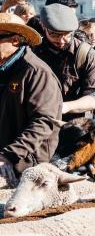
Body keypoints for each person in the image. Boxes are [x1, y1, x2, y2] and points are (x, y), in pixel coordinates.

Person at [0, 12, 61, 185]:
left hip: (25, 166)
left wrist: (8, 155)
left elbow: (43, 122)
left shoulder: (36, 72)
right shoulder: (4, 68)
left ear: (15, 40)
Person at [34, 2, 95, 121]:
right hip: (38, 124)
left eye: (66, 35)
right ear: (43, 27)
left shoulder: (86, 54)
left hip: (73, 126)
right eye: (54, 34)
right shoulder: (32, 51)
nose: (61, 40)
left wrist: (65, 107)